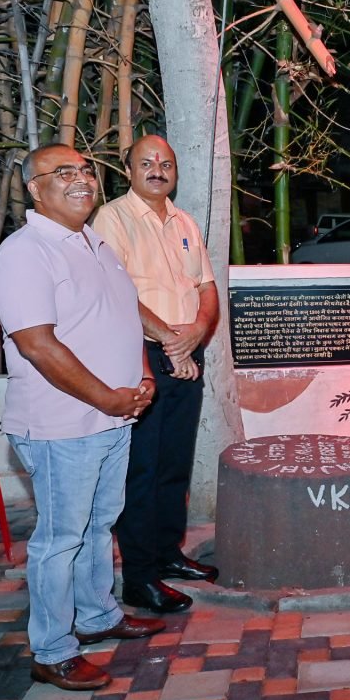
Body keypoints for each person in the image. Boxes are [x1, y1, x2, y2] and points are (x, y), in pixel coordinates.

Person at [0, 144, 165, 691]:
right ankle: (52, 650)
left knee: (98, 524)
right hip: (61, 424)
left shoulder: (95, 243)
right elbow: (38, 345)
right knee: (60, 538)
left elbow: (123, 318)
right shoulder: (25, 252)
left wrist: (142, 377)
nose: (81, 178)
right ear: (34, 188)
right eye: (63, 171)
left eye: (86, 170)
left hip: (112, 418)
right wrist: (107, 398)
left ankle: (96, 616)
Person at [91, 135, 220, 614]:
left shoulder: (184, 221)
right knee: (141, 469)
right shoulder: (112, 218)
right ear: (128, 170)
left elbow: (206, 288)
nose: (157, 170)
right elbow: (118, 292)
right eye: (146, 162)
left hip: (186, 350)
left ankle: (168, 553)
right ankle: (139, 577)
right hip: (142, 355)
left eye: (166, 163)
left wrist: (197, 332)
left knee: (174, 463)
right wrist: (171, 341)